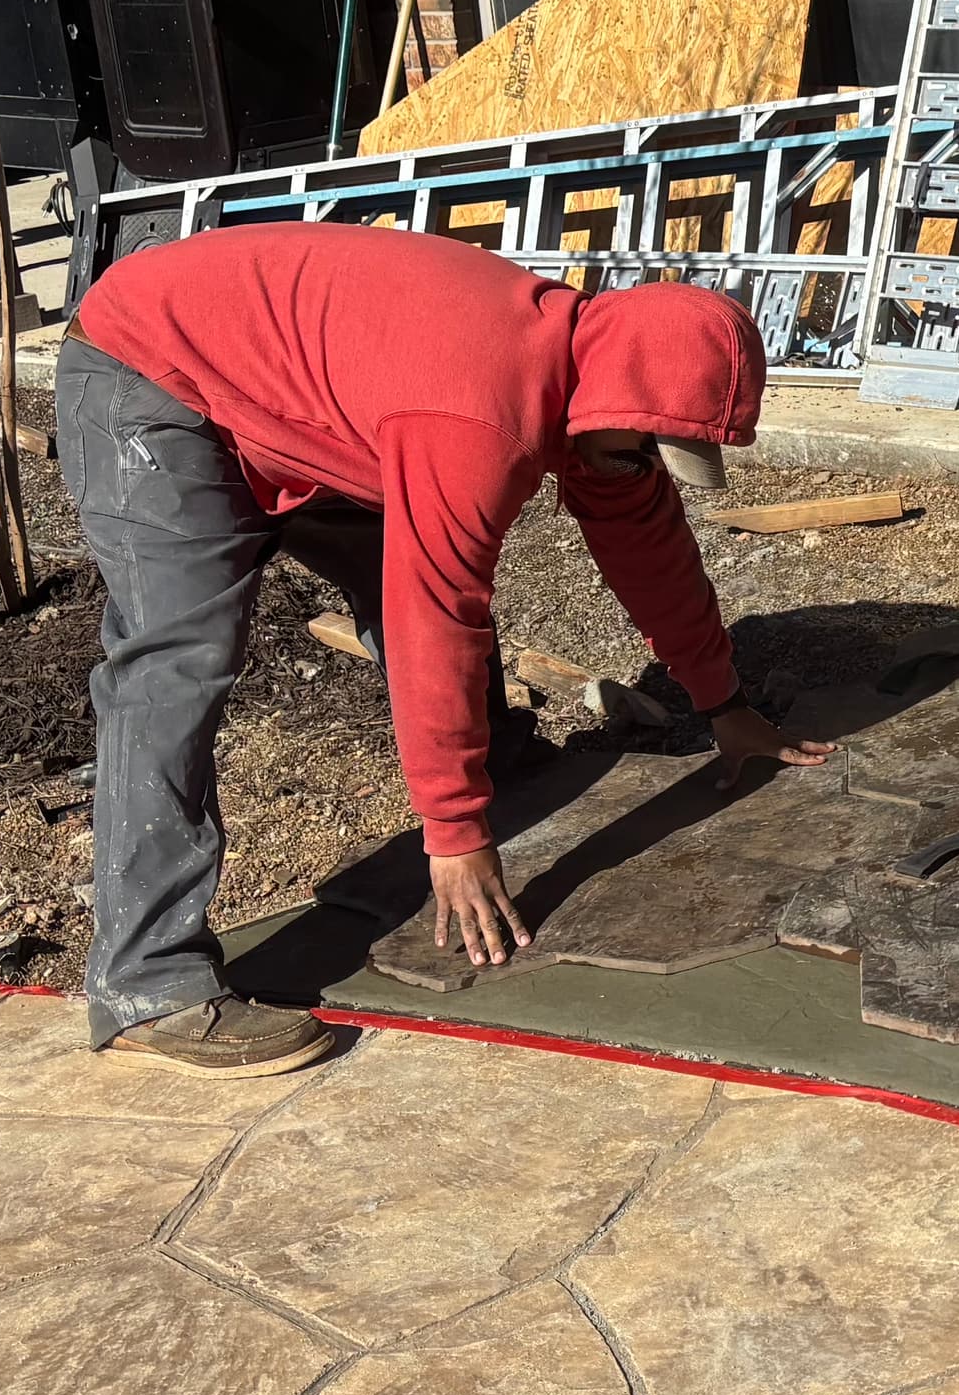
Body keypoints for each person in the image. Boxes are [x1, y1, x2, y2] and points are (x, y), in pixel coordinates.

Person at [55, 222, 828, 1074]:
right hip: (152, 369)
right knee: (179, 659)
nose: (640, 466)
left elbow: (652, 552)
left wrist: (724, 703)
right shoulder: (477, 412)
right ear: (607, 400)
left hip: (300, 394)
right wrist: (453, 833)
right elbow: (435, 609)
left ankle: (495, 767)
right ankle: (146, 983)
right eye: (638, 448)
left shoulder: (589, 386)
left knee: (411, 559)